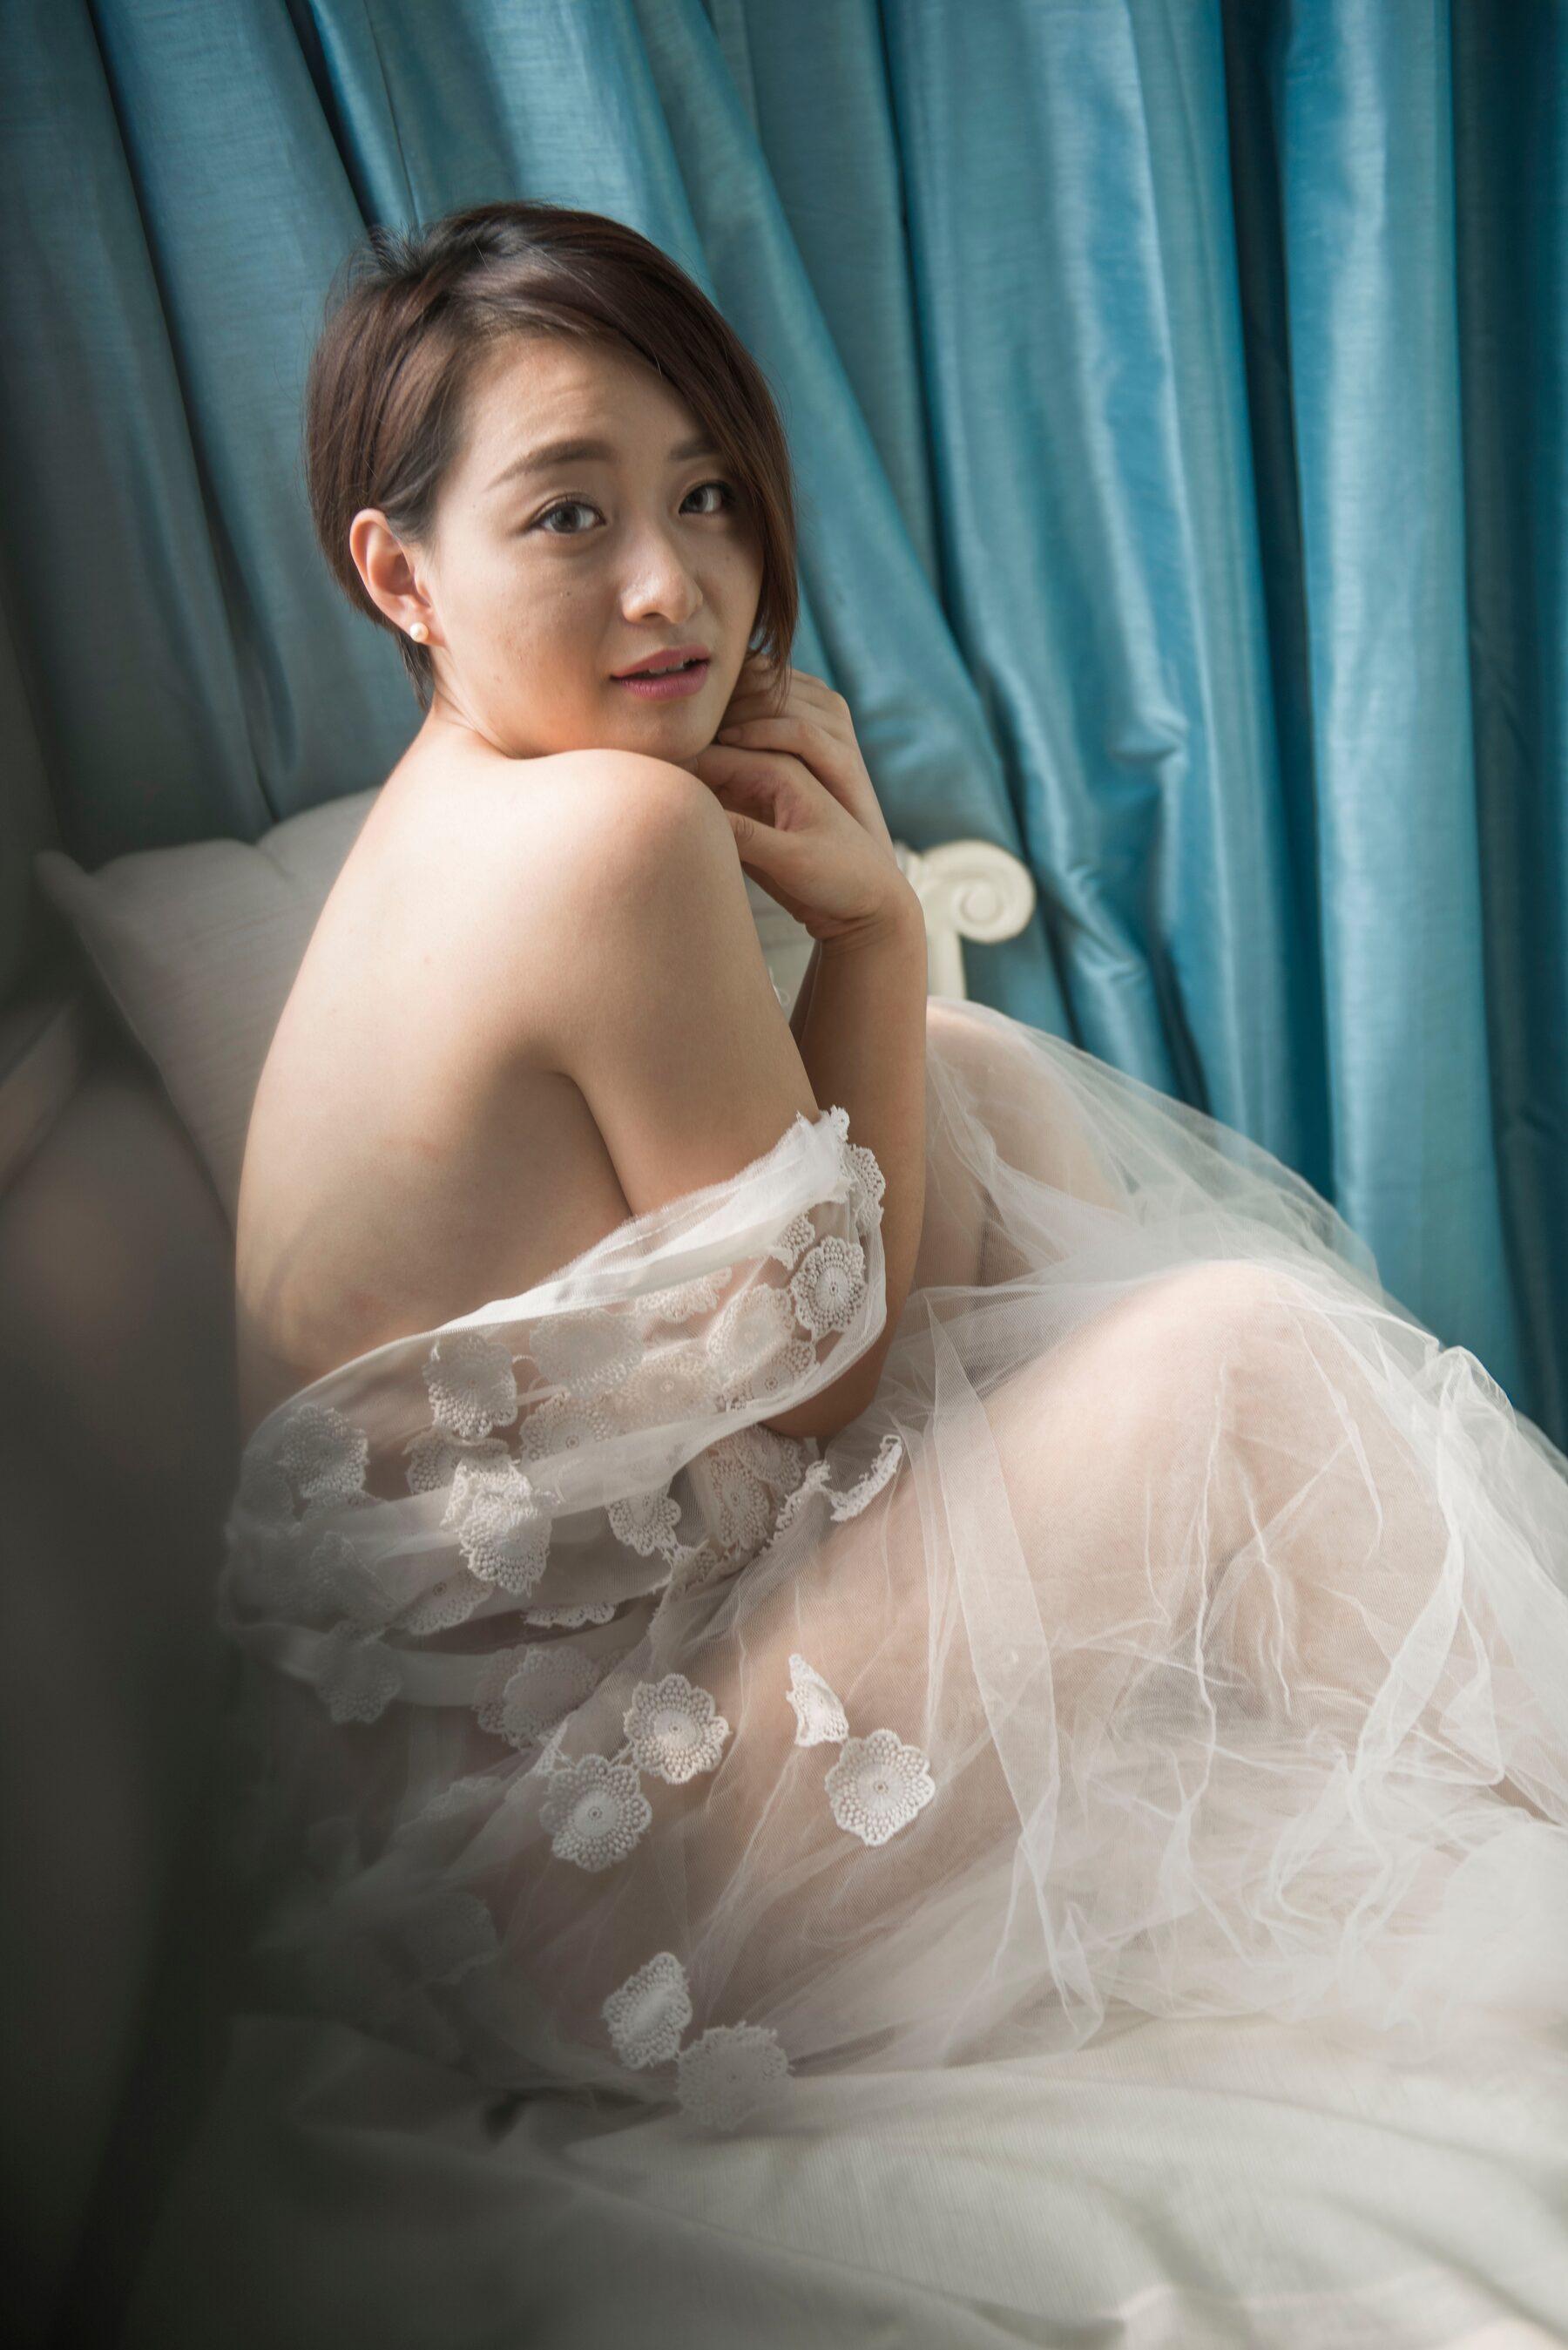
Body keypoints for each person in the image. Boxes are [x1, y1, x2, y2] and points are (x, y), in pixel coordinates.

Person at [219, 198, 1568, 2143]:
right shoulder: (602, 840)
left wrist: (888, 977)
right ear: (398, 571)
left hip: (416, 1859)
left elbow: (845, 1315)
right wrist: (869, 930)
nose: (672, 585)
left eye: (708, 497)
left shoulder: (455, 817)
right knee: (1248, 1352)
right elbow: (833, 1377)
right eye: (571, 514)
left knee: (965, 1077)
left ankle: (1426, 1734)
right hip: (563, 1887)